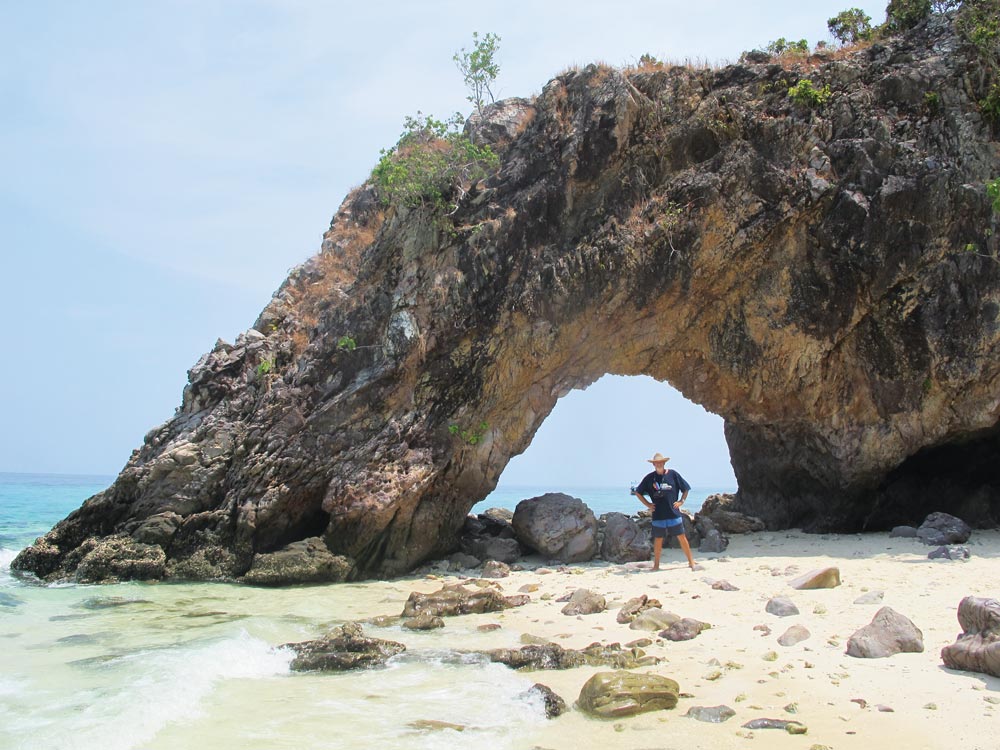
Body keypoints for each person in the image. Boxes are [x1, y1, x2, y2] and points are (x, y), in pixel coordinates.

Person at [632, 452, 696, 571]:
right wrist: (648, 505)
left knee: (682, 537)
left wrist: (681, 501)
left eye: (660, 462)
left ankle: (691, 562)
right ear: (653, 464)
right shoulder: (650, 478)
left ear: (664, 463)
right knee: (658, 540)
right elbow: (638, 492)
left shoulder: (673, 474)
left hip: (673, 513)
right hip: (658, 515)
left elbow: (686, 488)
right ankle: (656, 566)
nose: (658, 464)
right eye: (656, 463)